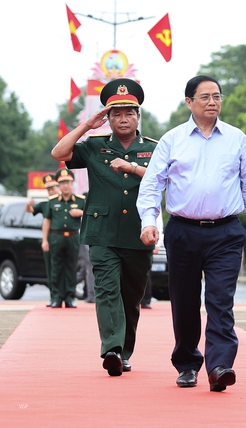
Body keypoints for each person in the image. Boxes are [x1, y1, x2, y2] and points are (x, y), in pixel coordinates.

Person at [136, 75, 246, 392]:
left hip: (226, 232)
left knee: (220, 301)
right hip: (183, 231)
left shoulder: (237, 139)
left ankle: (220, 365)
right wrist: (148, 222)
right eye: (205, 96)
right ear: (189, 102)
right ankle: (187, 363)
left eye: (217, 96)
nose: (212, 102)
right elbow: (152, 186)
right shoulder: (172, 140)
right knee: (184, 301)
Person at [51, 78, 156, 377]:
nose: (123, 119)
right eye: (116, 114)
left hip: (139, 232)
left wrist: (132, 167)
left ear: (138, 116)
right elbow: (59, 154)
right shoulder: (95, 146)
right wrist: (86, 126)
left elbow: (167, 180)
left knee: (131, 298)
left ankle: (124, 350)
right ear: (107, 119)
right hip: (102, 233)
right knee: (107, 291)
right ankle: (111, 349)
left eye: (129, 113)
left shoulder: (153, 148)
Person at [42, 168, 85, 308]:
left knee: (71, 268)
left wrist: (81, 212)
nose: (65, 185)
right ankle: (56, 297)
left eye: (68, 182)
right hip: (56, 237)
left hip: (73, 237)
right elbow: (47, 221)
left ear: (72, 184)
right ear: (59, 186)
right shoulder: (52, 201)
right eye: (62, 183)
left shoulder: (80, 200)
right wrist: (45, 240)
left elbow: (91, 217)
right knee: (56, 268)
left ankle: (69, 297)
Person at [26, 173, 59, 306]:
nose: (51, 191)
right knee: (51, 269)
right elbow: (30, 210)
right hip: (51, 237)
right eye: (49, 189)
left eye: (53, 188)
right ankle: (54, 297)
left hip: (65, 237)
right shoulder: (45, 204)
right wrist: (28, 205)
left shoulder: (67, 201)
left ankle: (66, 297)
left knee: (65, 268)